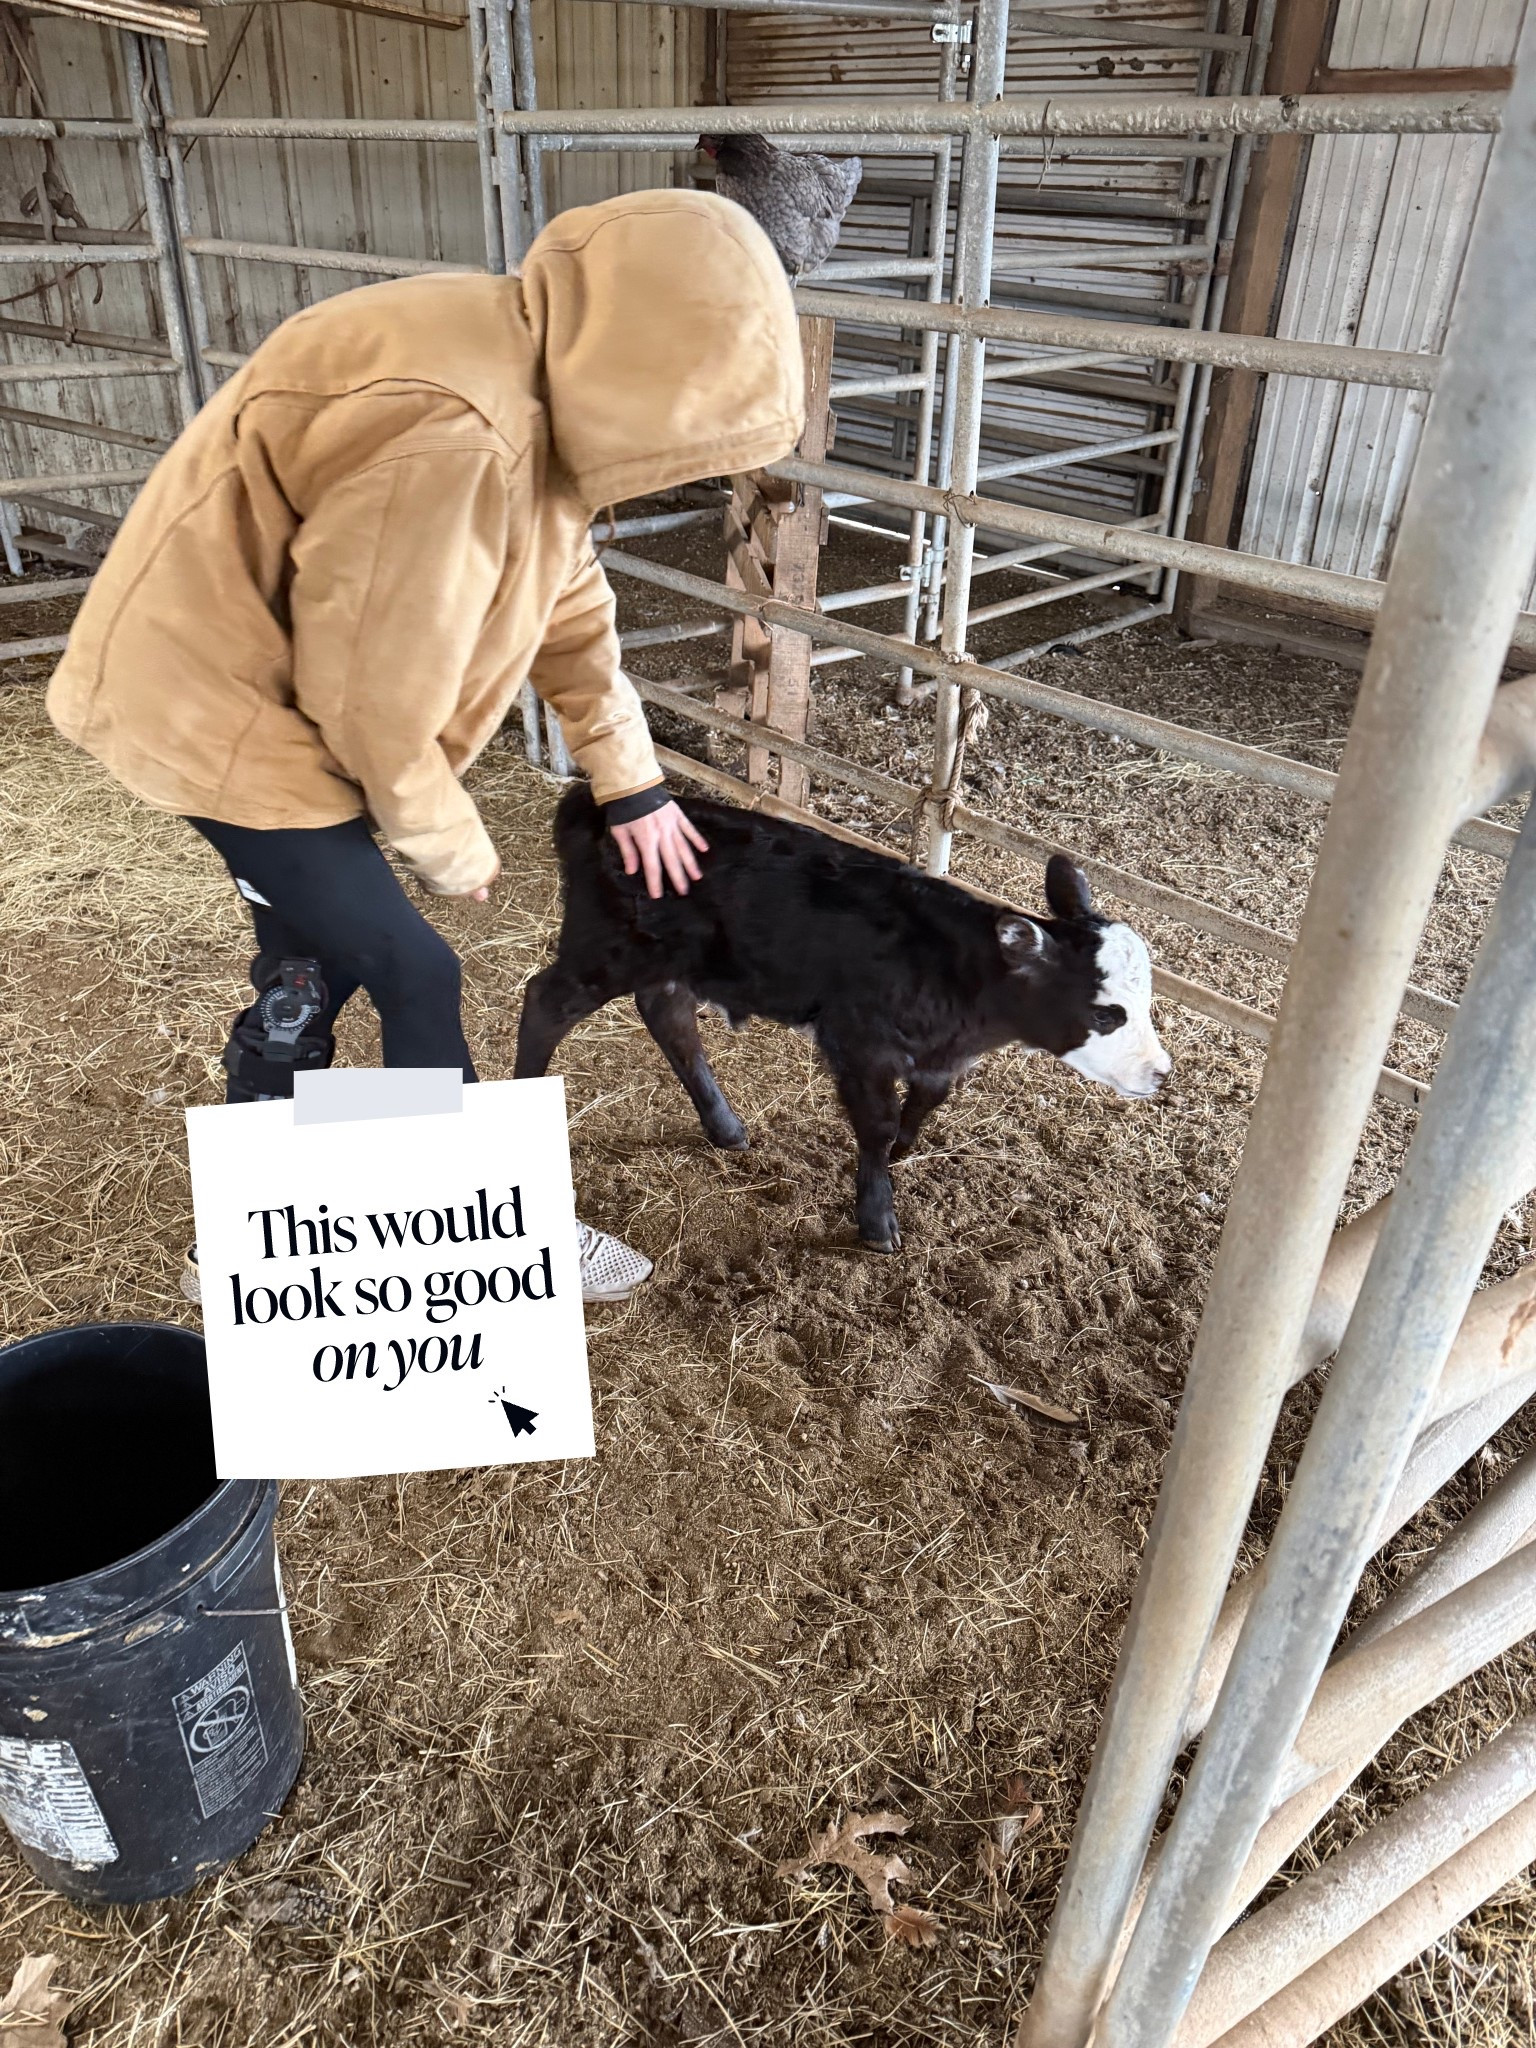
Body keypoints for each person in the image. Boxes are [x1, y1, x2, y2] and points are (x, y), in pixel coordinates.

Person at [47, 189, 805, 1305]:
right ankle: (475, 1236)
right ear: (649, 360)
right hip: (228, 715)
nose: (684, 469)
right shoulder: (469, 433)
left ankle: (251, 1230)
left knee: (312, 960)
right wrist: (448, 839)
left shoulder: (533, 376)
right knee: (415, 965)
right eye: (693, 425)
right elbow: (367, 696)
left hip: (263, 697)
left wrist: (631, 777)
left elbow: (566, 597)